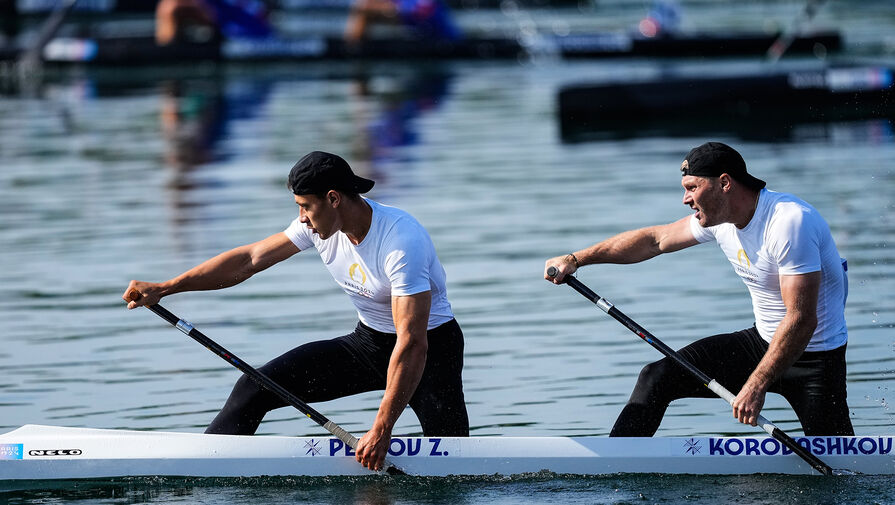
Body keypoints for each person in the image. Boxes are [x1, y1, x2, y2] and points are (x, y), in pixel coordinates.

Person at [123, 151, 469, 471]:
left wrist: (381, 429)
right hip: (369, 345)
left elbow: (412, 343)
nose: (301, 218)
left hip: (429, 353)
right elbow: (248, 260)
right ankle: (199, 470)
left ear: (333, 199)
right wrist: (167, 287)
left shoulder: (401, 242)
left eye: (306, 207)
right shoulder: (320, 227)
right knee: (254, 388)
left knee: (457, 462)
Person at [544, 142, 854, 437]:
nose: (685, 199)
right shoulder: (719, 220)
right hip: (761, 342)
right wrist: (576, 259)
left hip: (815, 357)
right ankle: (614, 464)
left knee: (843, 461)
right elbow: (654, 241)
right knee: (656, 377)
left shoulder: (789, 222)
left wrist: (755, 384)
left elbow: (801, 320)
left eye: (692, 188)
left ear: (724, 183)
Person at [155, 0, 273, 46]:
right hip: (237, 31)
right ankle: (167, 46)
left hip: (241, 38)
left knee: (170, 7)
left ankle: (165, 48)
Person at [344, 0, 461, 44]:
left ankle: (352, 48)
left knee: (364, 8)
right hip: (422, 25)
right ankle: (354, 46)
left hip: (445, 38)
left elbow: (424, 11)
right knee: (363, 6)